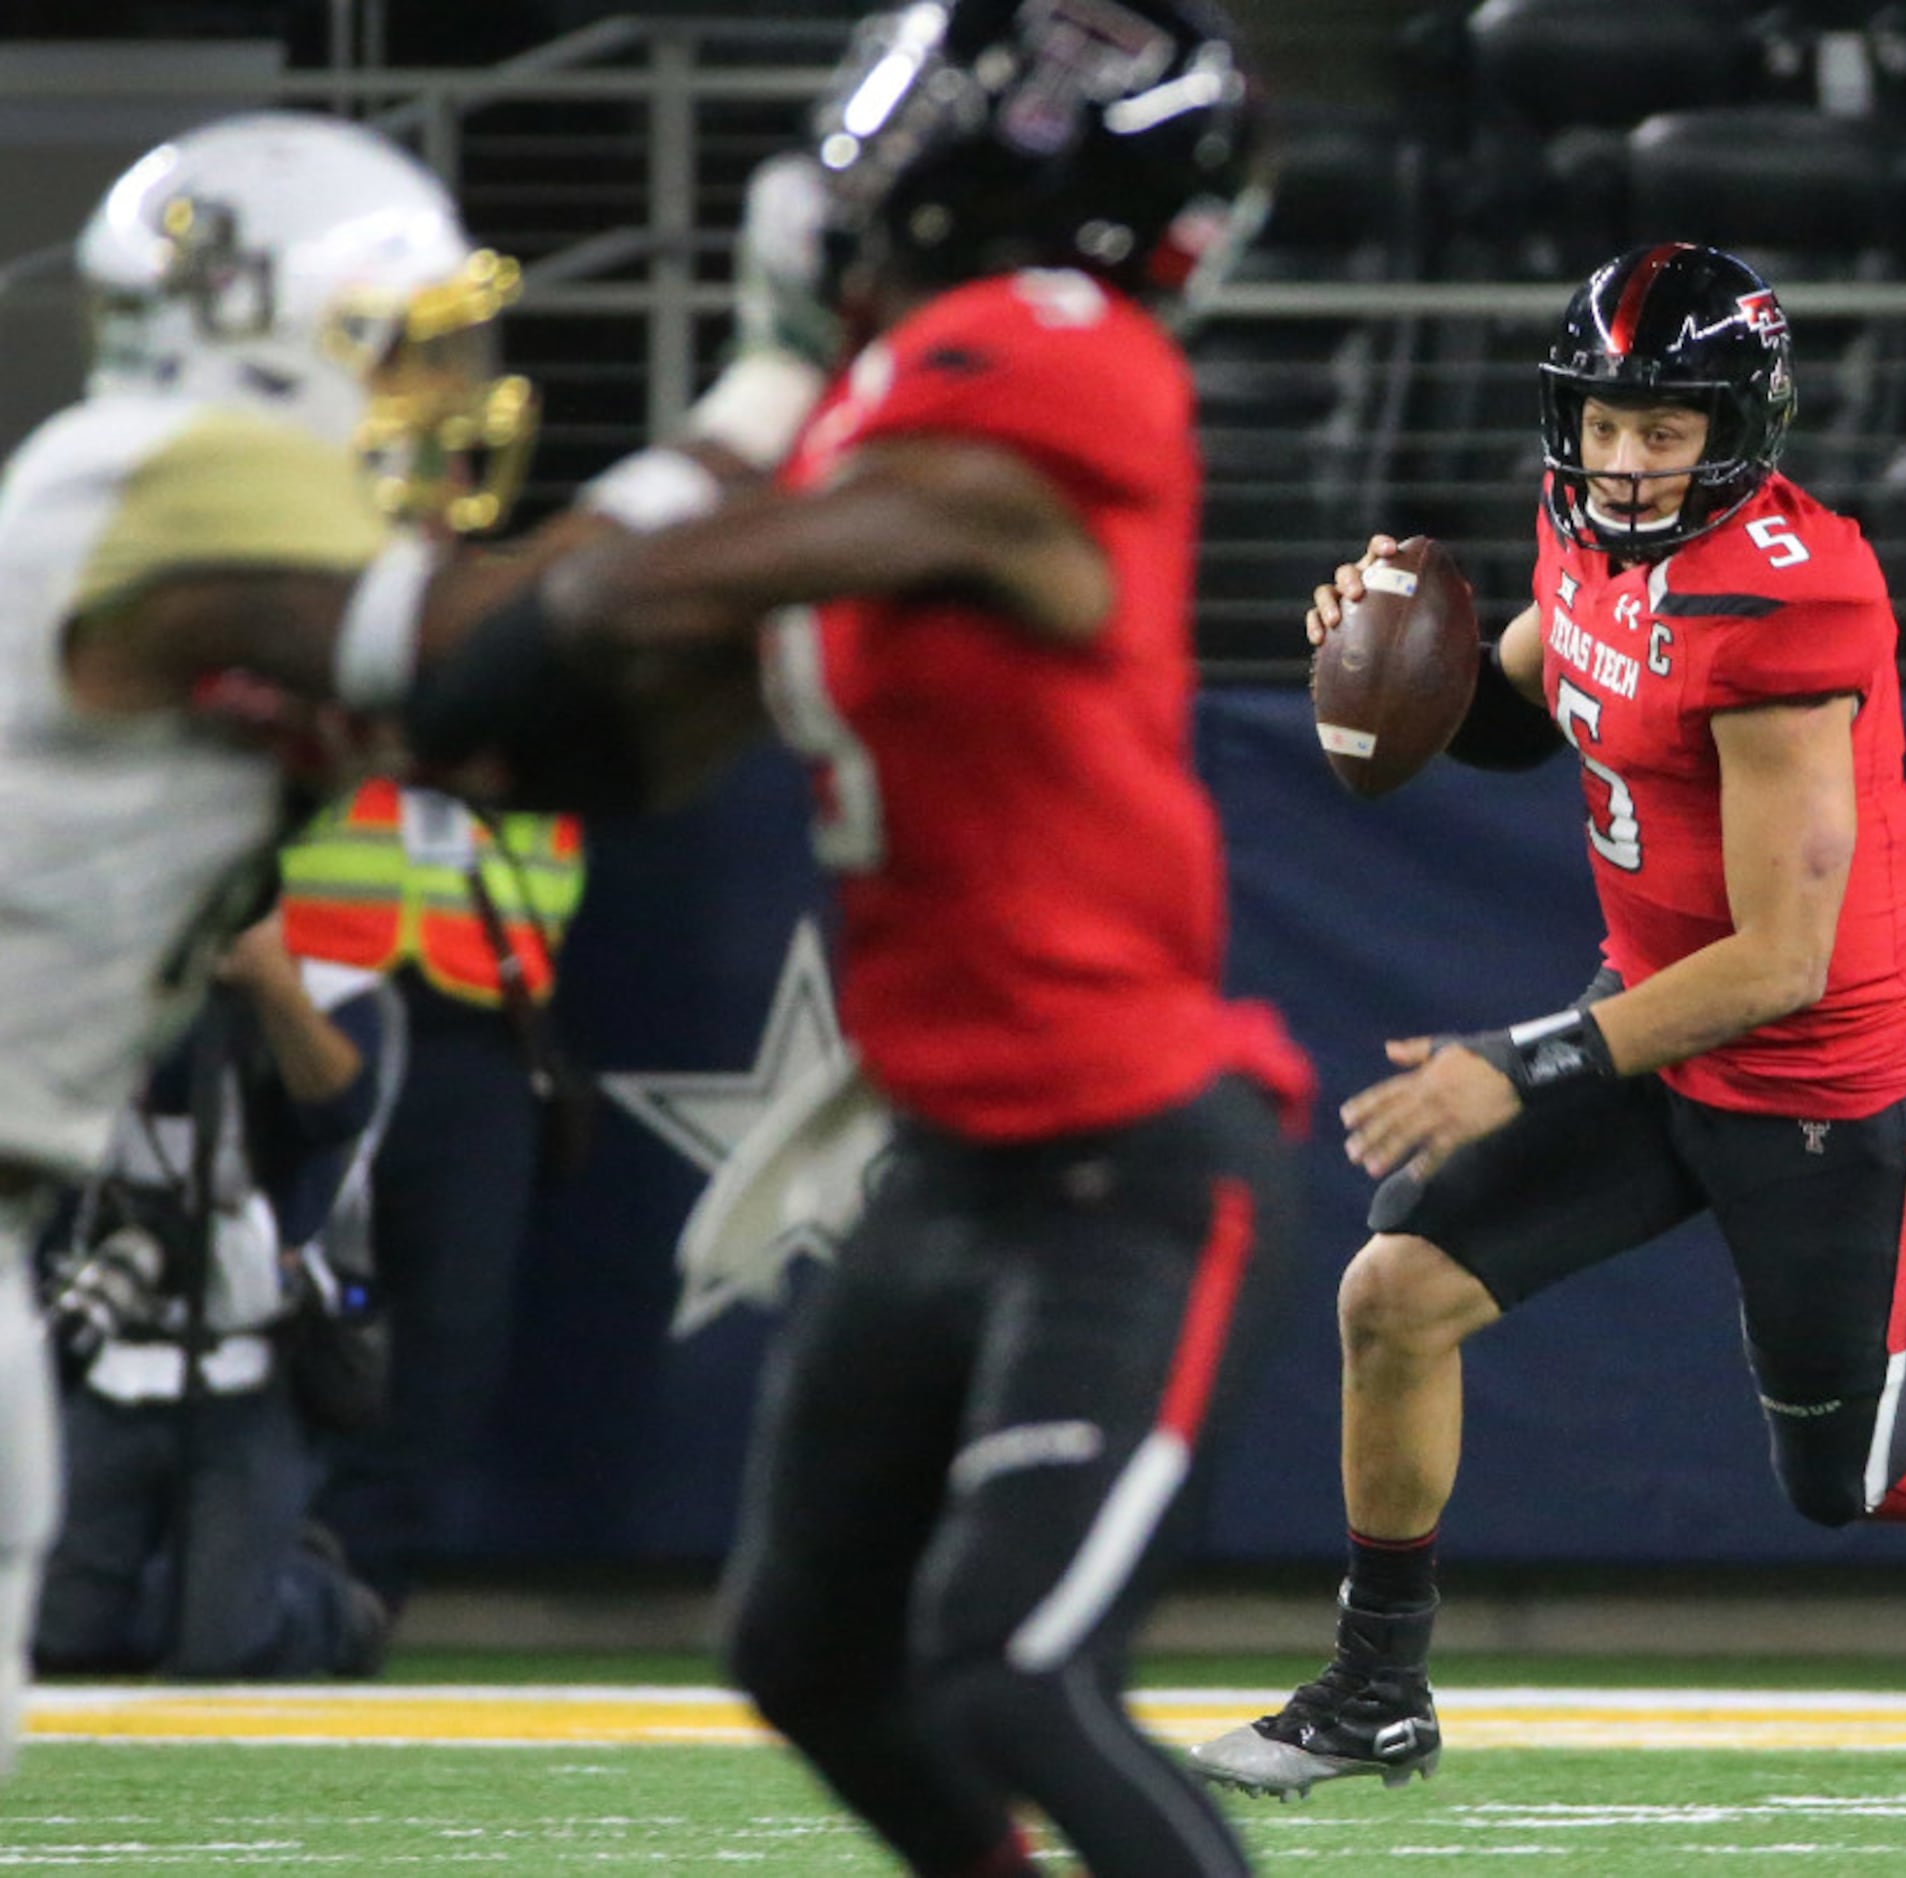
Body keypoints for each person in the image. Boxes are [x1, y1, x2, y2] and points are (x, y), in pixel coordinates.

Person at [1189, 242, 1906, 1802]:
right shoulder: (1583, 533)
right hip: (1654, 1024)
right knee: (1395, 1292)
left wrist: (1517, 1061)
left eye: (1664, 431)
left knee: (1848, 1473)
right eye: (1602, 423)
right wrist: (1384, 654)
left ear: (1739, 427)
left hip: (1828, 1084)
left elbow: (1781, 959)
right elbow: (1526, 709)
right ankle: (1373, 1687)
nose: (1622, 462)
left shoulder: (1789, 598)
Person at [393, 3, 1308, 1868]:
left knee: (1005, 1668)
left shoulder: (1055, 353)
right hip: (947, 1167)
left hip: (1124, 1153)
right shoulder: (877, 408)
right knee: (807, 1648)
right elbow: (598, 725)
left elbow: (846, 530)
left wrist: (643, 534)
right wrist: (523, 675)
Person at [0, 106, 577, 1781]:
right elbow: (518, 672)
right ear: (256, 336)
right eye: (401, 352)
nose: (444, 397)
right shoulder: (173, 478)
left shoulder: (187, 496)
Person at [34, 911, 394, 1680]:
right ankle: (192, 1581)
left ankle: (325, 1604)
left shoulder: (333, 987)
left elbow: (337, 1109)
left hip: (253, 1353)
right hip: (122, 1339)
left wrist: (269, 980)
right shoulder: (109, 980)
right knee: (59, 1637)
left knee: (223, 1654)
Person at [284, 782, 586, 1613]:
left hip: (487, 1012)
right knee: (257, 1291)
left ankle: (354, 1594)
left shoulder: (539, 661)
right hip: (294, 994)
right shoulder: (311, 648)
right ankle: (229, 1579)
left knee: (453, 1329)